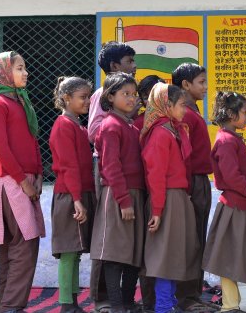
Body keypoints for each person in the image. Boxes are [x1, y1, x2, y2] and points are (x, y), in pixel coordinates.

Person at [0, 52, 45, 313]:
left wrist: (39, 174)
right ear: (4, 72)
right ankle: (11, 306)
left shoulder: (21, 101)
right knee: (24, 243)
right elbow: (2, 148)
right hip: (11, 181)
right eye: (20, 68)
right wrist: (23, 181)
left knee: (14, 247)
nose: (26, 73)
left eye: (25, 68)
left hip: (26, 179)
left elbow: (32, 141)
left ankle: (4, 305)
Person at [204, 92, 246, 313]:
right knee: (229, 257)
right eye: (244, 112)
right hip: (234, 206)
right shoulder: (226, 141)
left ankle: (232, 304)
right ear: (231, 114)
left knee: (232, 255)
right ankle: (230, 306)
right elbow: (232, 178)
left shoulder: (230, 138)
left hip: (239, 205)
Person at [141, 83, 200, 313]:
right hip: (167, 200)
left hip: (177, 199)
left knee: (175, 253)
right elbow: (155, 176)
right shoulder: (160, 134)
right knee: (165, 256)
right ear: (168, 105)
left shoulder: (173, 129)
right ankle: (163, 306)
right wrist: (157, 210)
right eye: (182, 105)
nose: (185, 110)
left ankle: (169, 304)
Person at [90, 73, 145, 313]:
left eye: (134, 94)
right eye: (125, 94)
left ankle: (128, 301)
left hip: (134, 194)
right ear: (110, 96)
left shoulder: (130, 126)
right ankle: (116, 304)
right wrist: (124, 201)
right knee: (115, 253)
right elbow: (111, 167)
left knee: (133, 251)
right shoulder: (111, 126)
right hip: (118, 195)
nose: (132, 99)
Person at [171, 63, 216, 312]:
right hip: (193, 183)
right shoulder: (185, 113)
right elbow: (184, 157)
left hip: (198, 181)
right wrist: (187, 190)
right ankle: (187, 298)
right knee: (192, 241)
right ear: (185, 85)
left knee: (198, 239)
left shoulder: (192, 110)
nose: (206, 87)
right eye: (201, 82)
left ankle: (194, 296)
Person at [50, 76, 95, 313]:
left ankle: (73, 301)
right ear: (67, 99)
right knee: (69, 250)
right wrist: (77, 199)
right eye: (82, 97)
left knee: (76, 250)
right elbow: (68, 166)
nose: (87, 101)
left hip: (79, 194)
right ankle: (66, 303)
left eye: (88, 97)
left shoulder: (78, 125)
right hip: (69, 196)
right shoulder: (63, 126)